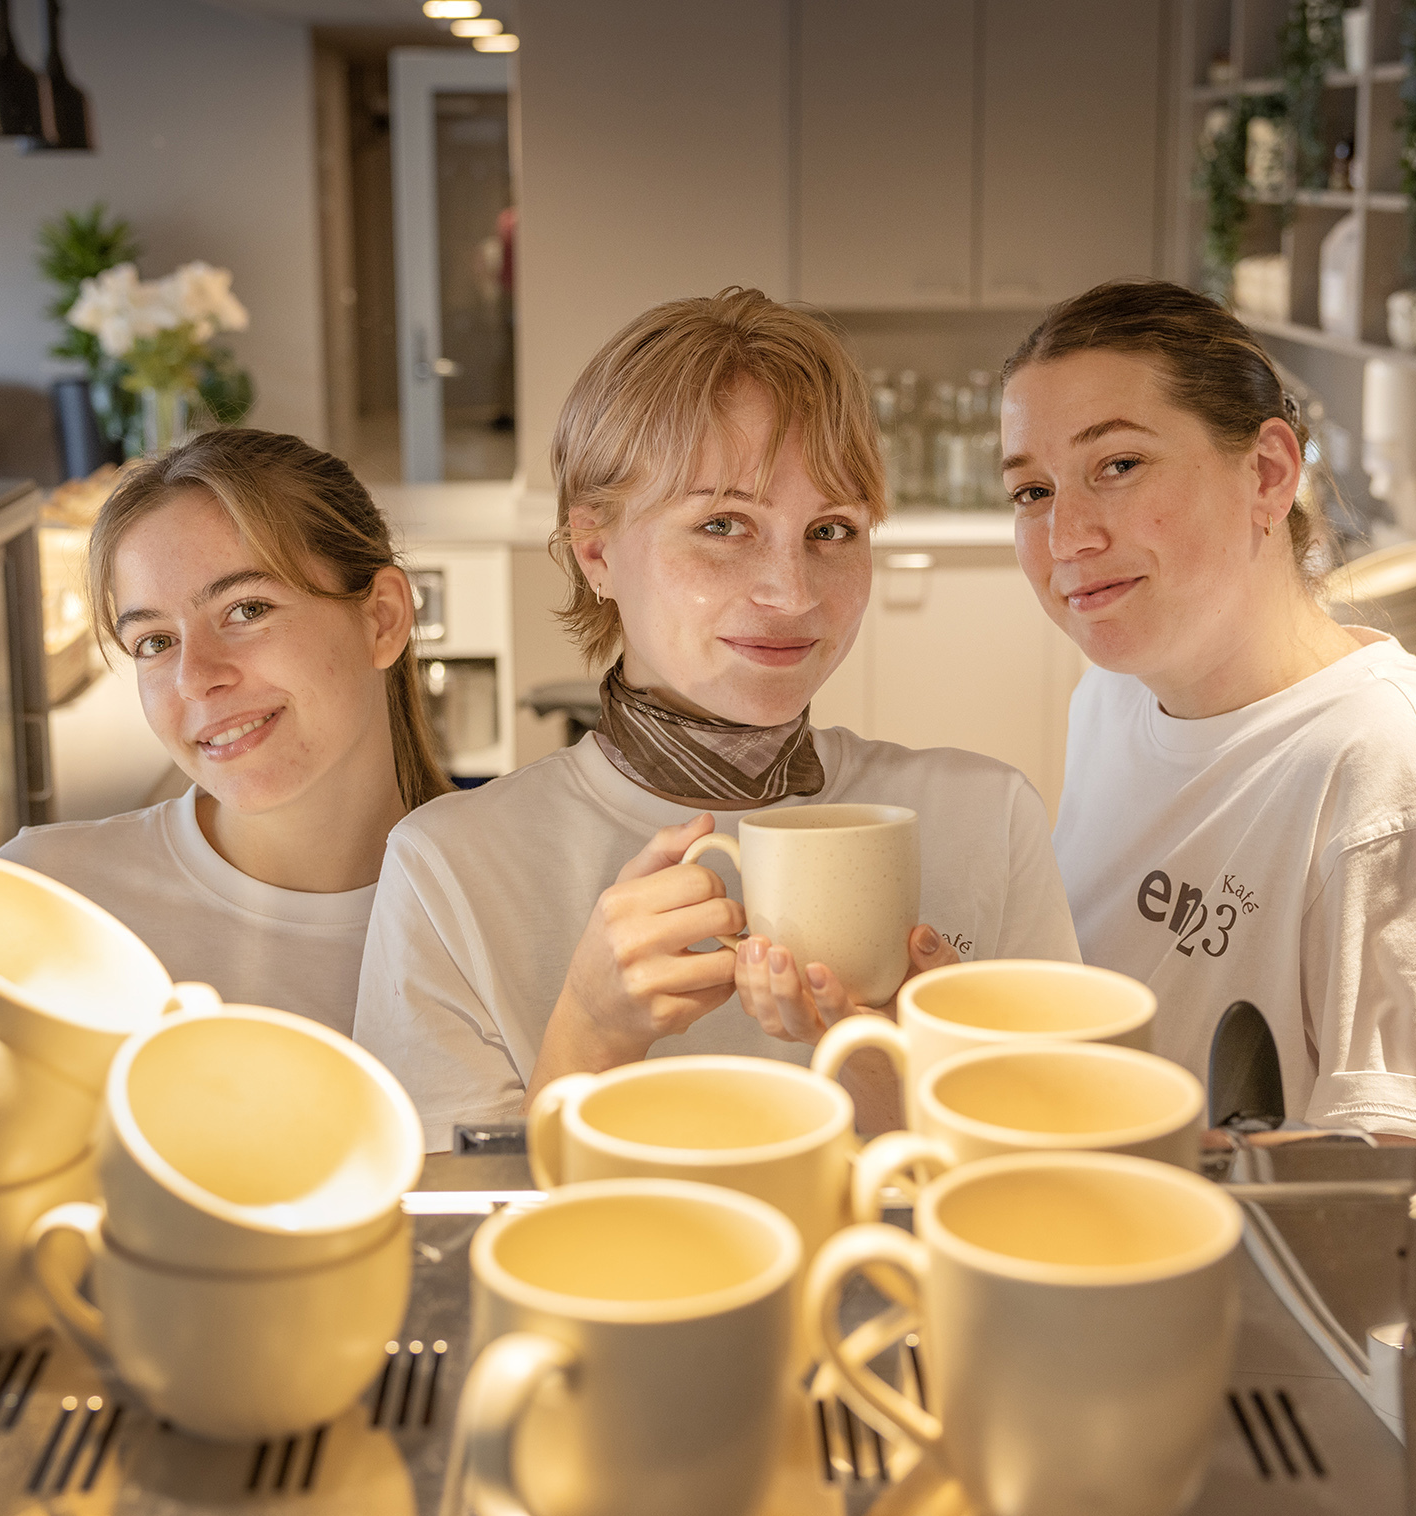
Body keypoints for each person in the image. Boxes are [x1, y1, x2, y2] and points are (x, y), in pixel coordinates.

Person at [354, 287, 1081, 1152]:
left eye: (833, 530)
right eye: (724, 524)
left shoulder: (986, 818)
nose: (793, 592)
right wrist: (589, 1033)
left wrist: (888, 1073)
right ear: (596, 551)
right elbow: (455, 1252)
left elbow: (1049, 1196)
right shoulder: (450, 870)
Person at [1000, 279, 1416, 1138]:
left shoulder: (1398, 796)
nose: (1066, 538)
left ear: (1266, 473)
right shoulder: (1113, 694)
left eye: (1118, 465)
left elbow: (1405, 1206)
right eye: (1032, 492)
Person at [0, 428, 451, 1035]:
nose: (195, 679)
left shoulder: (517, 901)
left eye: (247, 609)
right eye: (155, 642)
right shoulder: (44, 900)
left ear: (383, 618)